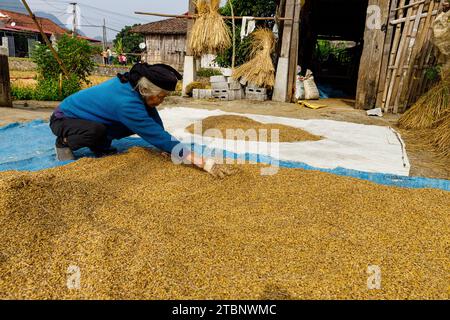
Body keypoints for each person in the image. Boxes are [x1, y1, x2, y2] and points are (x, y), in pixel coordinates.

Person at [49, 63, 233, 178]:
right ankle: (64, 142)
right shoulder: (126, 103)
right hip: (65, 119)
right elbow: (154, 134)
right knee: (96, 131)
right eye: (160, 96)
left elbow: (155, 125)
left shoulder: (137, 88)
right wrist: (203, 162)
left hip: (91, 118)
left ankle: (100, 144)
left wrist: (167, 148)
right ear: (146, 90)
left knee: (124, 127)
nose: (161, 101)